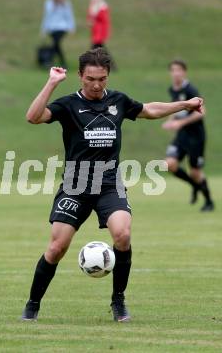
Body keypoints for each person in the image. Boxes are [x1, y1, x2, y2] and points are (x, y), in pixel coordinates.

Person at [21, 48, 204, 322]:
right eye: (91, 79)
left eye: (102, 79)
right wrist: (51, 83)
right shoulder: (69, 104)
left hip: (109, 183)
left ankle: (118, 301)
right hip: (76, 184)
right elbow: (33, 117)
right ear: (81, 76)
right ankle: (32, 306)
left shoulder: (118, 101)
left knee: (123, 235)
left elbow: (149, 110)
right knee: (57, 247)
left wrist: (184, 104)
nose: (96, 85)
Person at [162, 59, 214, 212]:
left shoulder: (190, 89)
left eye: (179, 70)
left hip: (196, 137)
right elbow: (175, 107)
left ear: (184, 72)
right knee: (170, 164)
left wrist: (180, 123)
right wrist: (169, 120)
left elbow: (202, 112)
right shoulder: (173, 89)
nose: (176, 73)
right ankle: (194, 186)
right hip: (182, 136)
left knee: (195, 172)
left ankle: (209, 201)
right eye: (173, 70)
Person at [41, 0, 76, 68]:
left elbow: (69, 15)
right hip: (52, 27)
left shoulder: (66, 3)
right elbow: (47, 16)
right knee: (56, 45)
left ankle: (48, 60)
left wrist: (72, 27)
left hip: (62, 27)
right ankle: (63, 63)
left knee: (55, 43)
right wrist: (43, 29)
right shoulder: (49, 2)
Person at [87, 0, 116, 70]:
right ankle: (111, 65)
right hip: (96, 31)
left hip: (100, 32)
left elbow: (104, 20)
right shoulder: (94, 7)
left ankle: (88, 64)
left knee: (95, 48)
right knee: (101, 49)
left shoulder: (102, 8)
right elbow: (90, 17)